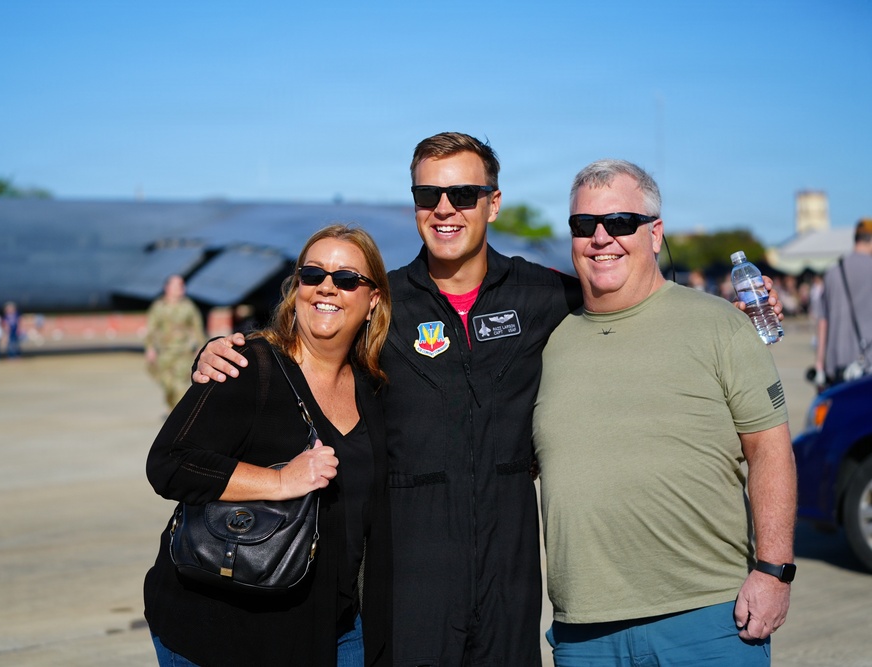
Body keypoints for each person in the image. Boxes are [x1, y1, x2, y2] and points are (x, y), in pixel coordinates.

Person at [192, 133, 784, 665]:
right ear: (415, 205)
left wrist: (722, 317)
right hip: (409, 568)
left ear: (492, 204)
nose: (445, 210)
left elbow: (627, 289)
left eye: (464, 194)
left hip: (509, 563)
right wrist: (227, 350)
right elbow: (308, 336)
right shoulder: (383, 303)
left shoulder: (543, 293)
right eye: (429, 196)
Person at [532, 159, 796, 665]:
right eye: (584, 225)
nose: (601, 238)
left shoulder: (720, 325)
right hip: (584, 634)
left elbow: (770, 449)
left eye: (621, 223)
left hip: (710, 620)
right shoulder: (548, 343)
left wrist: (774, 570)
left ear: (655, 234)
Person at [143, 224, 393, 666]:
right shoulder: (248, 365)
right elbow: (169, 463)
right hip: (223, 633)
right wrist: (280, 480)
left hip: (335, 629)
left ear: (372, 299)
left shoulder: (372, 387)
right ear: (296, 288)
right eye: (312, 275)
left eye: (347, 278)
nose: (327, 288)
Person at [814, 218, 872, 388]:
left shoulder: (833, 271)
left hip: (836, 361)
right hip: (868, 362)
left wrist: (819, 364)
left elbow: (822, 321)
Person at [144, 275, 207, 409]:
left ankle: (178, 414)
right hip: (165, 353)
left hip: (183, 352)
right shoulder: (158, 307)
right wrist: (150, 348)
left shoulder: (188, 307)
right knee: (168, 386)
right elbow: (151, 329)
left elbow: (197, 328)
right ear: (167, 288)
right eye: (176, 285)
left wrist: (201, 347)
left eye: (182, 285)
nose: (180, 288)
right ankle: (172, 408)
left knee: (180, 386)